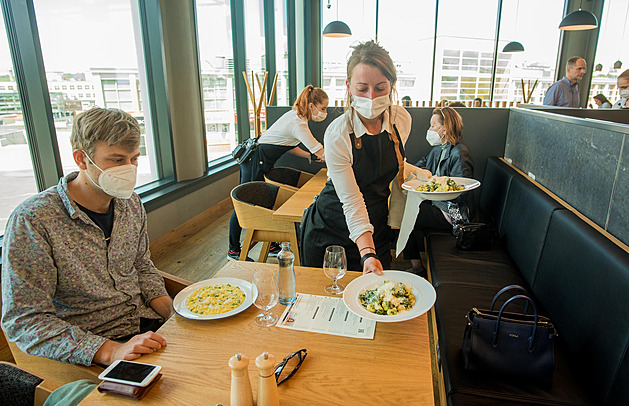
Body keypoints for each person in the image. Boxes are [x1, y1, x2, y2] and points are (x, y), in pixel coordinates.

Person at [1, 107, 173, 367]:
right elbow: (24, 320)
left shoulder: (131, 203)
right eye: (117, 160)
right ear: (82, 159)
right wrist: (110, 351)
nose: (129, 169)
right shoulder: (34, 220)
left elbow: (141, 266)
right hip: (90, 349)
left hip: (147, 326)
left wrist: (175, 314)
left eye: (134, 158)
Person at [301, 41, 422, 274]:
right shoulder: (338, 134)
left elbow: (391, 167)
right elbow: (352, 200)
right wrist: (368, 252)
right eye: (362, 88)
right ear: (348, 86)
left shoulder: (401, 121)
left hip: (377, 227)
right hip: (332, 231)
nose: (371, 96)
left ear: (392, 85)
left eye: (380, 87)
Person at [228, 85, 328, 260]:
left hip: (261, 160)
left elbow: (289, 146)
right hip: (255, 160)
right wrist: (330, 157)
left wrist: (310, 156)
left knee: (264, 199)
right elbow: (322, 152)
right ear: (311, 106)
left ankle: (271, 243)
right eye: (323, 108)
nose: (324, 112)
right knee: (243, 203)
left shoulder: (296, 117)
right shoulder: (297, 123)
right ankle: (233, 250)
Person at [403, 107, 475, 274]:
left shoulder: (460, 154)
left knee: (404, 216)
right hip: (436, 206)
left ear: (445, 128)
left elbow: (462, 191)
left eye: (433, 126)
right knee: (403, 210)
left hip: (452, 214)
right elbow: (422, 165)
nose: (429, 130)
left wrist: (436, 188)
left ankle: (417, 267)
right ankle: (416, 265)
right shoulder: (439, 149)